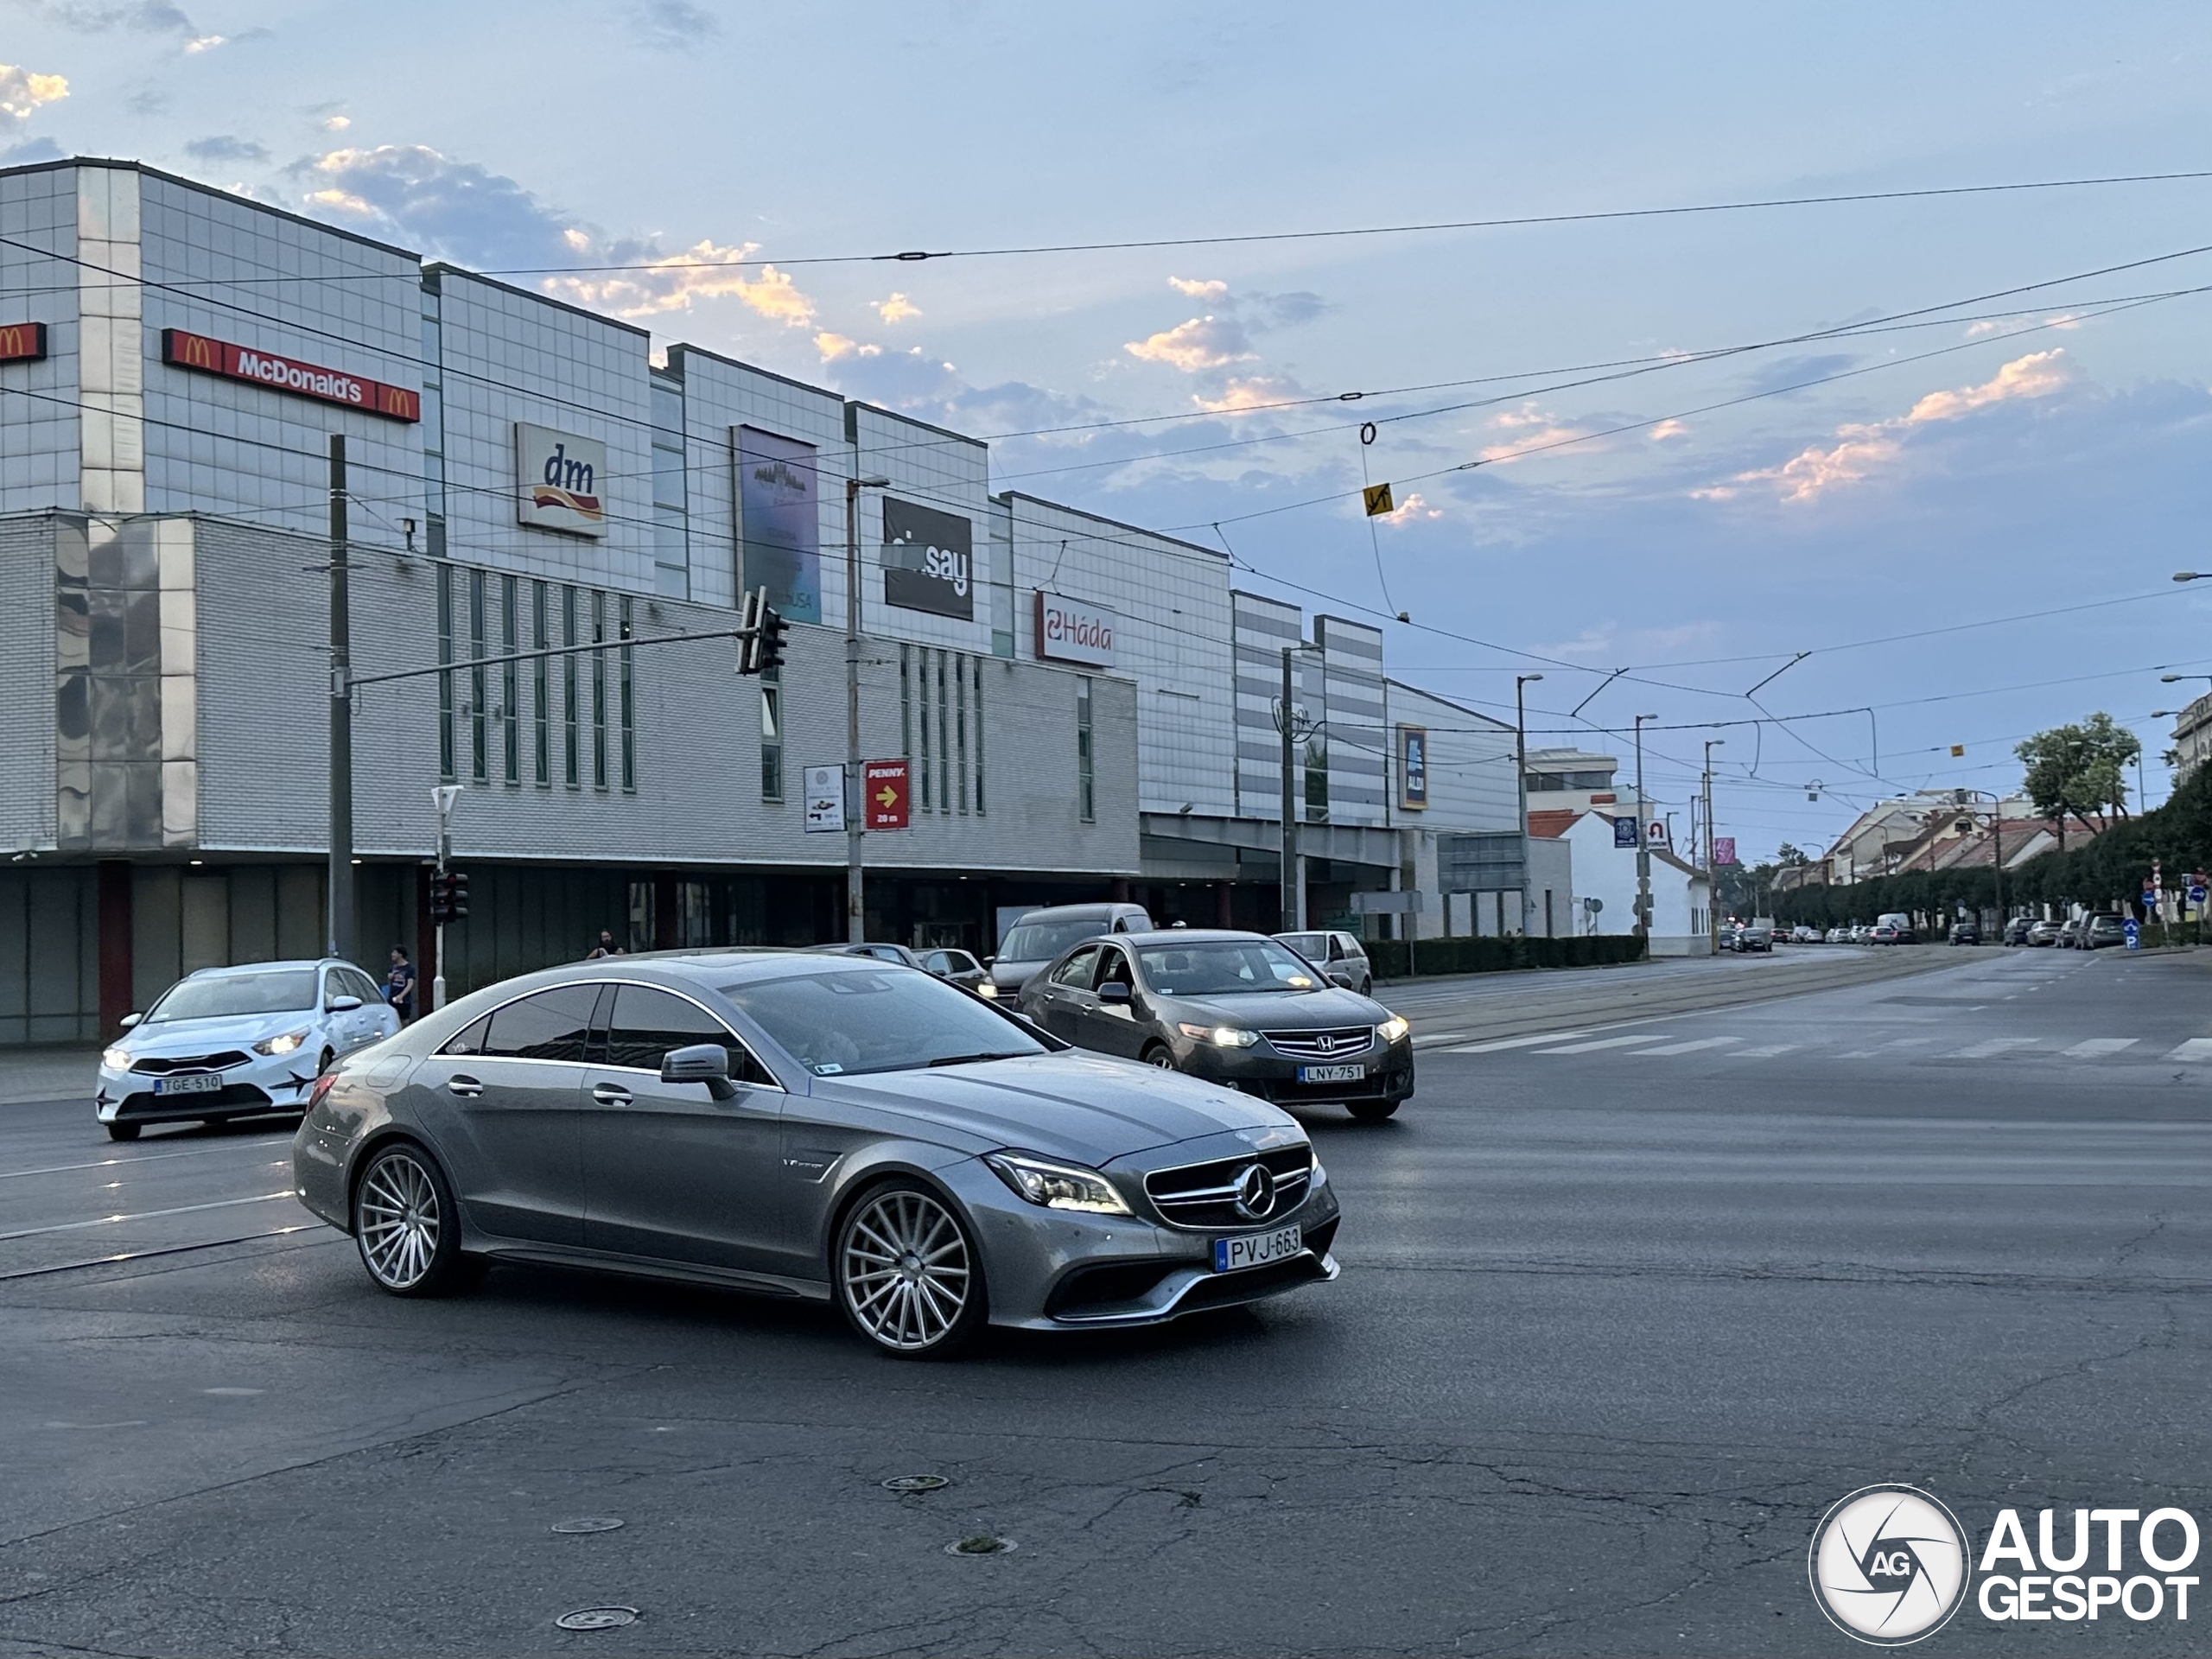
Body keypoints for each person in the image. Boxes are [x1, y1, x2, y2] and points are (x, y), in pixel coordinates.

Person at [385, 946, 416, 1022]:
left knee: (404, 1020)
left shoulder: (409, 969)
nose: (392, 955)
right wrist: (390, 977)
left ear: (400, 954)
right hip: (392, 997)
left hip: (404, 1000)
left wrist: (401, 996)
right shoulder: (393, 968)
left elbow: (410, 984)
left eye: (394, 953)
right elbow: (389, 982)